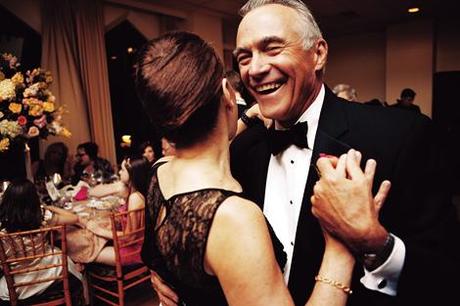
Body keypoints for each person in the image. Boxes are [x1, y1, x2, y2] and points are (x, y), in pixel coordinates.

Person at [227, 1, 459, 306]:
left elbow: (448, 276)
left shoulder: (400, 136)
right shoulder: (243, 151)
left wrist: (377, 244)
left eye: (272, 49)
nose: (254, 69)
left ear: (318, 54)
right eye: (244, 57)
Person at [135, 31, 391, 306]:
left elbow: (155, 253)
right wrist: (340, 249)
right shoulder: (234, 219)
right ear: (227, 94)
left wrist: (251, 114)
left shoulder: (160, 171)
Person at [0, 179, 83, 304]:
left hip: (18, 284)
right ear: (34, 199)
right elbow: (74, 218)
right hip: (49, 273)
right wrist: (49, 207)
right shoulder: (44, 216)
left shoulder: (2, 230)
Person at [80, 157, 148, 266]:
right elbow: (93, 192)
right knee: (91, 244)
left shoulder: (135, 198)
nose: (119, 172)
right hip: (132, 245)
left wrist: (99, 230)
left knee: (85, 252)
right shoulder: (133, 191)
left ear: (132, 174)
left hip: (134, 251)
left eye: (122, 170)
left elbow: (130, 237)